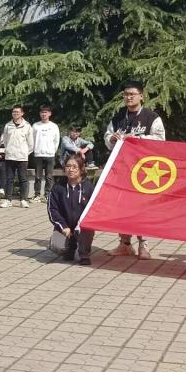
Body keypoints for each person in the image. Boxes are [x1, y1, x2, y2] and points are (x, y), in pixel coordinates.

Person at [104, 80, 165, 259]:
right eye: (126, 94)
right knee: (122, 206)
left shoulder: (151, 117)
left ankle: (143, 245)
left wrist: (137, 139)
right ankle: (124, 244)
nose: (128, 97)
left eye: (132, 94)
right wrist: (112, 139)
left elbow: (161, 140)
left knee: (141, 207)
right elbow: (107, 137)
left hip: (144, 171)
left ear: (141, 96)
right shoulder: (117, 118)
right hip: (122, 169)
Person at [47, 155, 95, 265]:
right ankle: (69, 249)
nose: (71, 169)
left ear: (81, 169)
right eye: (68, 166)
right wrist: (63, 226)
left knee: (85, 232)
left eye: (74, 167)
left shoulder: (89, 187)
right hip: (65, 227)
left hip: (82, 226)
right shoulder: (58, 187)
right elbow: (52, 209)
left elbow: (95, 208)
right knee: (57, 247)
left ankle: (84, 254)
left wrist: (82, 223)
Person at [1, 106, 34, 209]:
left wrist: (25, 153)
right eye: (13, 112)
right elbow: (5, 140)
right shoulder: (8, 125)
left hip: (22, 157)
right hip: (10, 156)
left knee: (23, 179)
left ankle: (23, 200)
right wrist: (9, 150)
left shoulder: (27, 126)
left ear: (22, 113)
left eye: (17, 112)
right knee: (9, 179)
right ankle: (8, 200)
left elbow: (31, 143)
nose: (15, 113)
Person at [32, 106, 60, 202]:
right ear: (40, 114)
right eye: (42, 112)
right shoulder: (35, 125)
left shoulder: (54, 126)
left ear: (49, 114)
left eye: (46, 112)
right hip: (38, 154)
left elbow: (56, 140)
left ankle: (47, 195)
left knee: (49, 176)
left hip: (50, 154)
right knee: (37, 176)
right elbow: (32, 139)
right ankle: (37, 195)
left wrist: (52, 151)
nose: (44, 114)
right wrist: (35, 149)